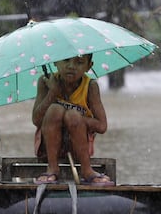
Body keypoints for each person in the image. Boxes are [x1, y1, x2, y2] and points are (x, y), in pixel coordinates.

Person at [32, 54, 114, 186]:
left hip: (79, 147)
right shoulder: (45, 81)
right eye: (65, 60)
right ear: (55, 62)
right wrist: (52, 92)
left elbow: (102, 126)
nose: (71, 66)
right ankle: (52, 167)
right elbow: (36, 120)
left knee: (73, 116)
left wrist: (73, 118)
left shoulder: (90, 86)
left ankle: (87, 170)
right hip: (48, 147)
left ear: (89, 66)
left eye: (79, 62)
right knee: (54, 110)